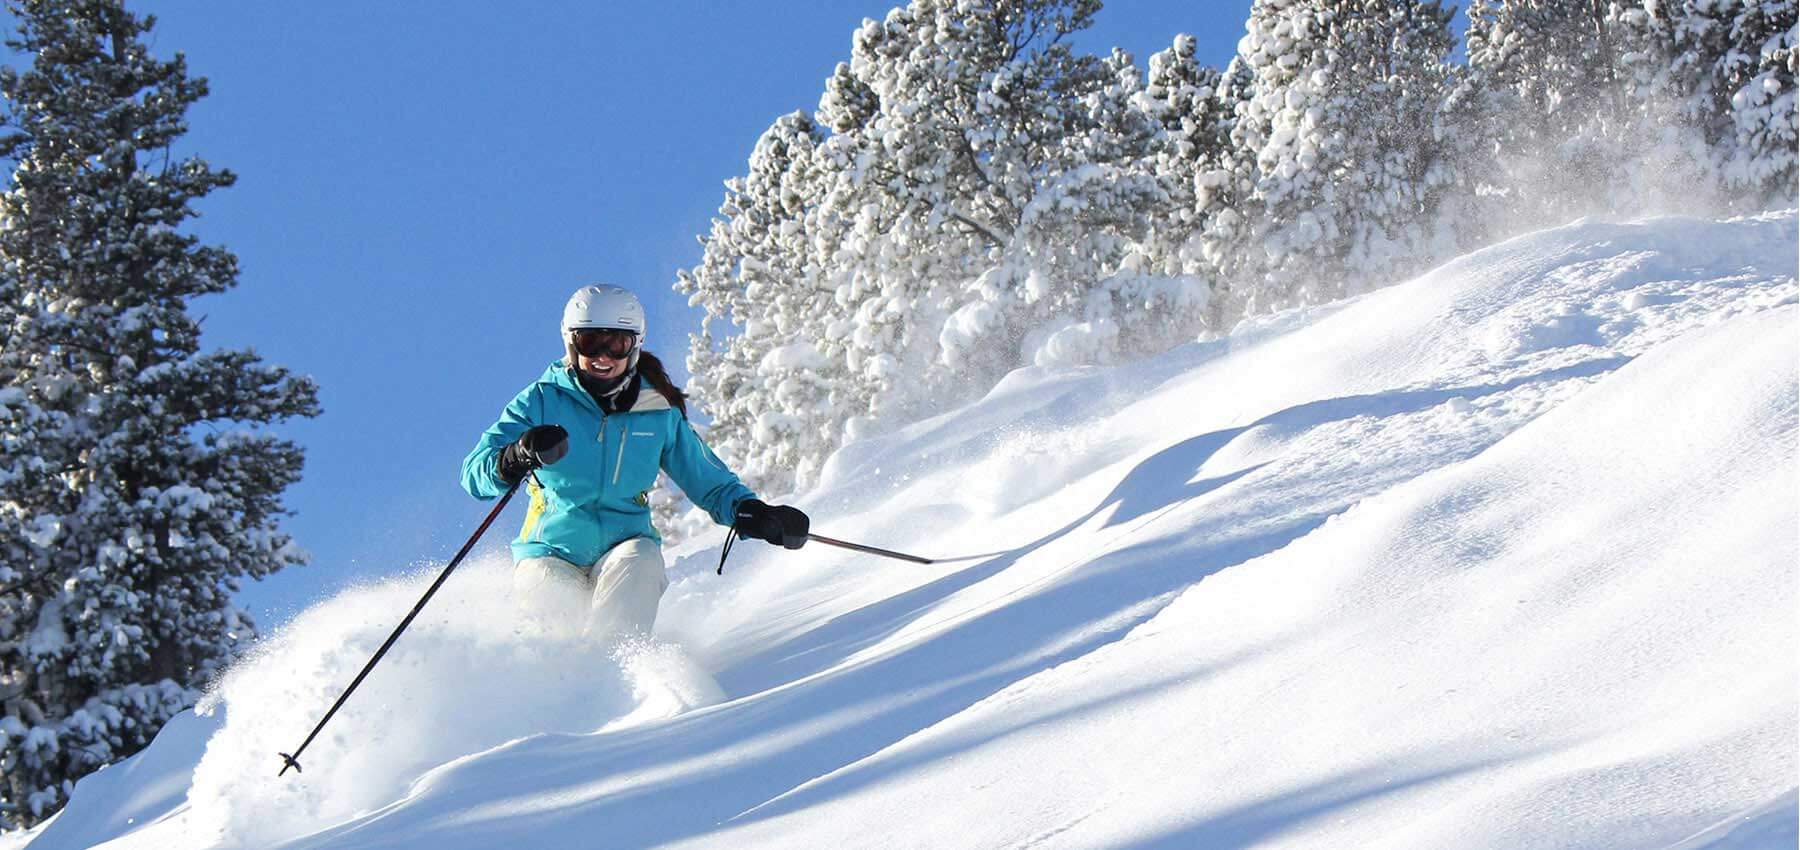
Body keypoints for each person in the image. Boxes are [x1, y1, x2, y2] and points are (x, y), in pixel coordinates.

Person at [460, 284, 809, 642]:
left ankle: (611, 673)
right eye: (590, 342)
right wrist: (516, 455)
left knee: (641, 563)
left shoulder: (656, 411)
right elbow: (474, 475)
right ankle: (553, 685)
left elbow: (710, 481)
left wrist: (753, 513)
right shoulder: (542, 400)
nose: (603, 356)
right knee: (553, 622)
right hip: (551, 551)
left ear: (636, 345)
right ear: (570, 343)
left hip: (625, 545)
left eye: (617, 344)